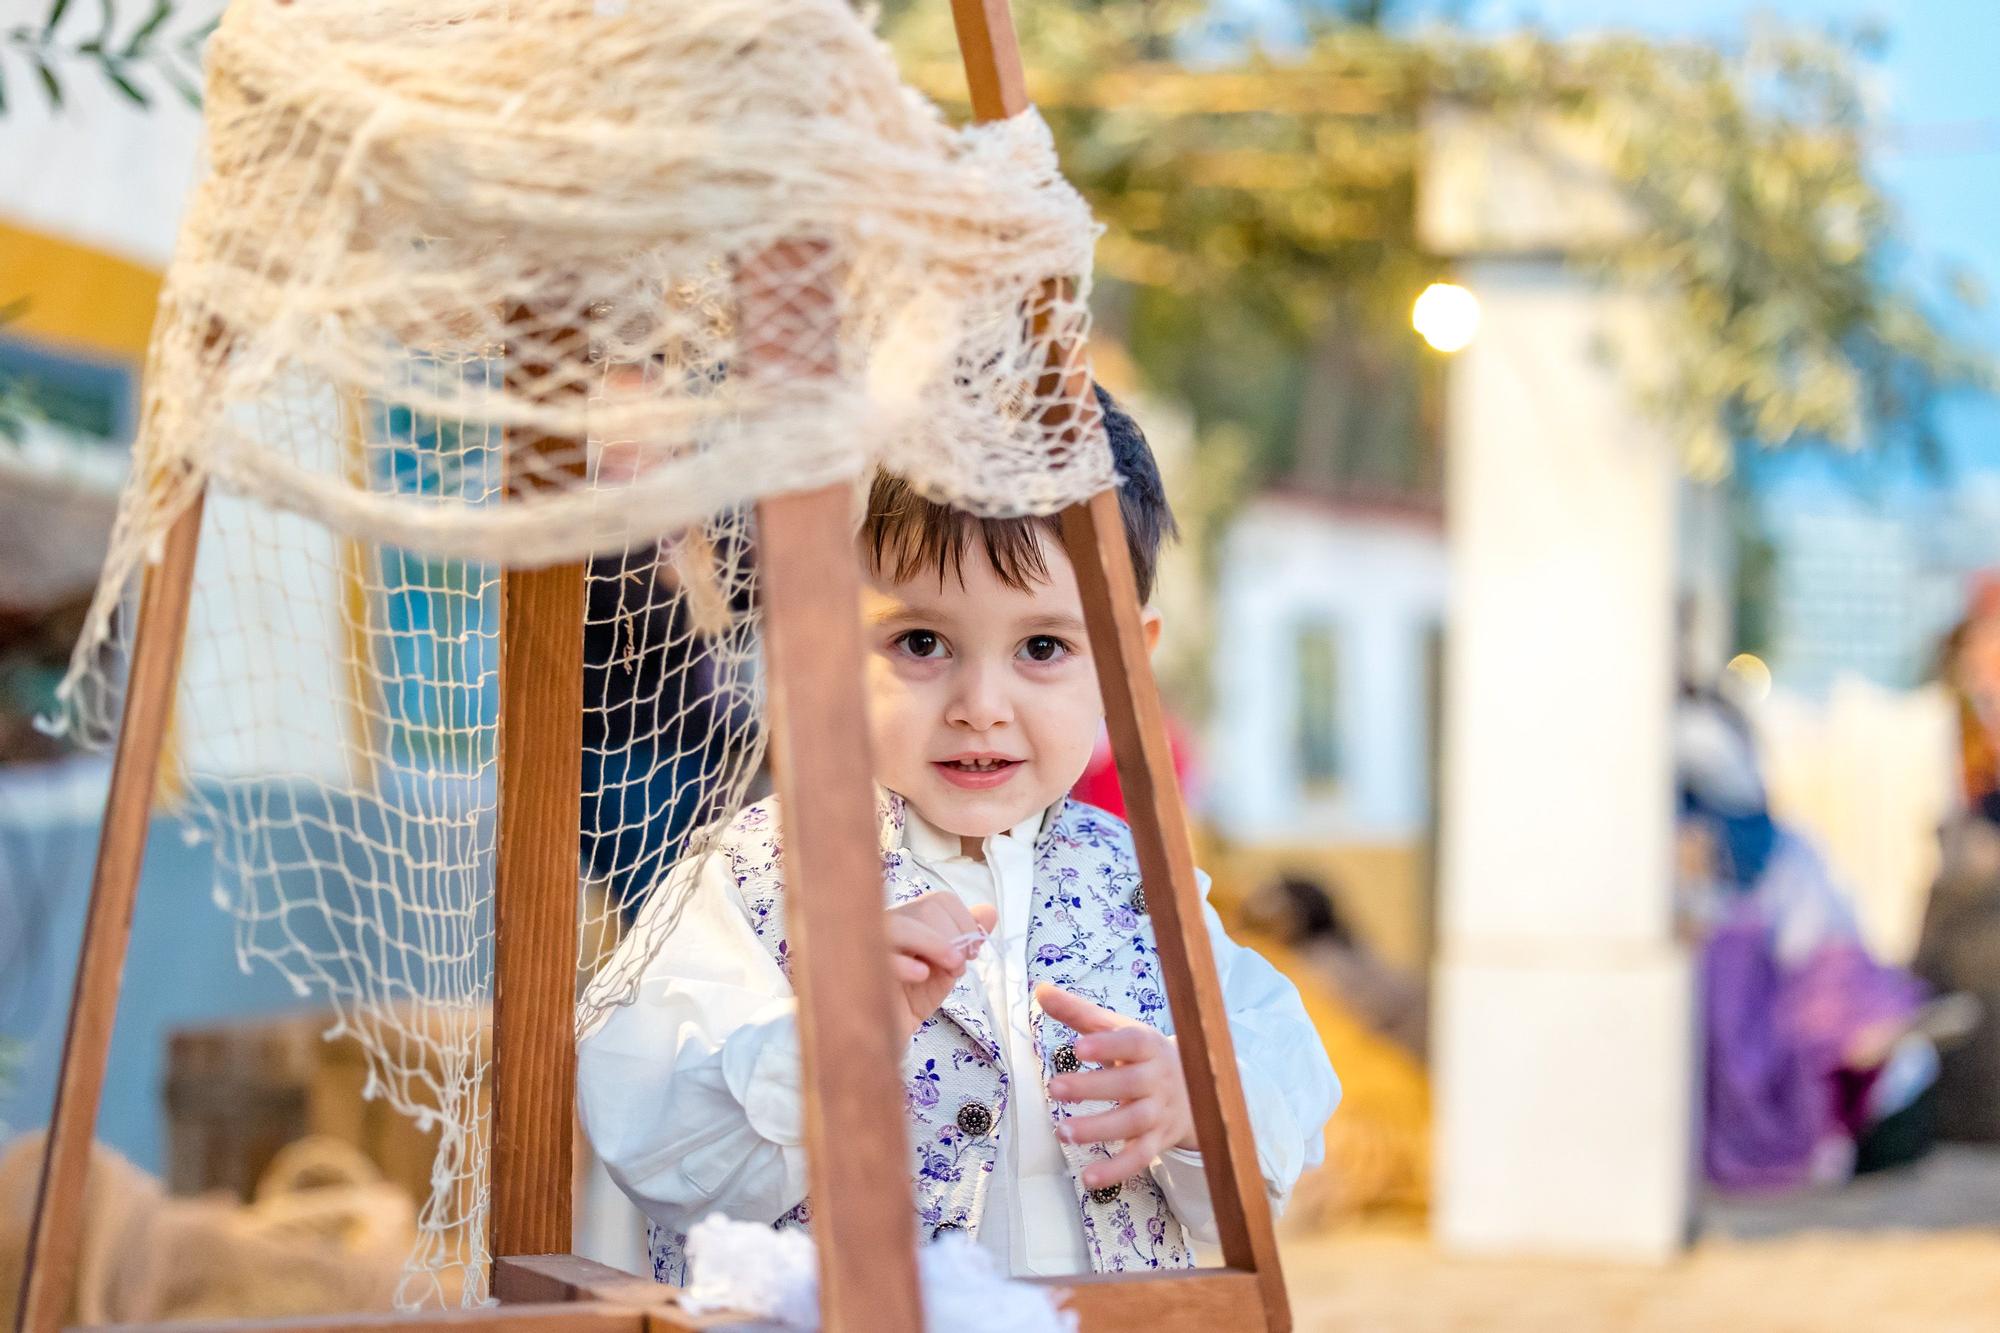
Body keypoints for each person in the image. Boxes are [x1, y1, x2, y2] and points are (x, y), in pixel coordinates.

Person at [578, 387, 1339, 1282]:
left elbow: (1276, 1115)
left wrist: (1194, 1101)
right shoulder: (751, 878)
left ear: (1130, 660)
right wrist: (823, 1038)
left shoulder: (1147, 885)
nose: (982, 707)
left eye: (1042, 649)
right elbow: (655, 1141)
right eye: (922, 642)